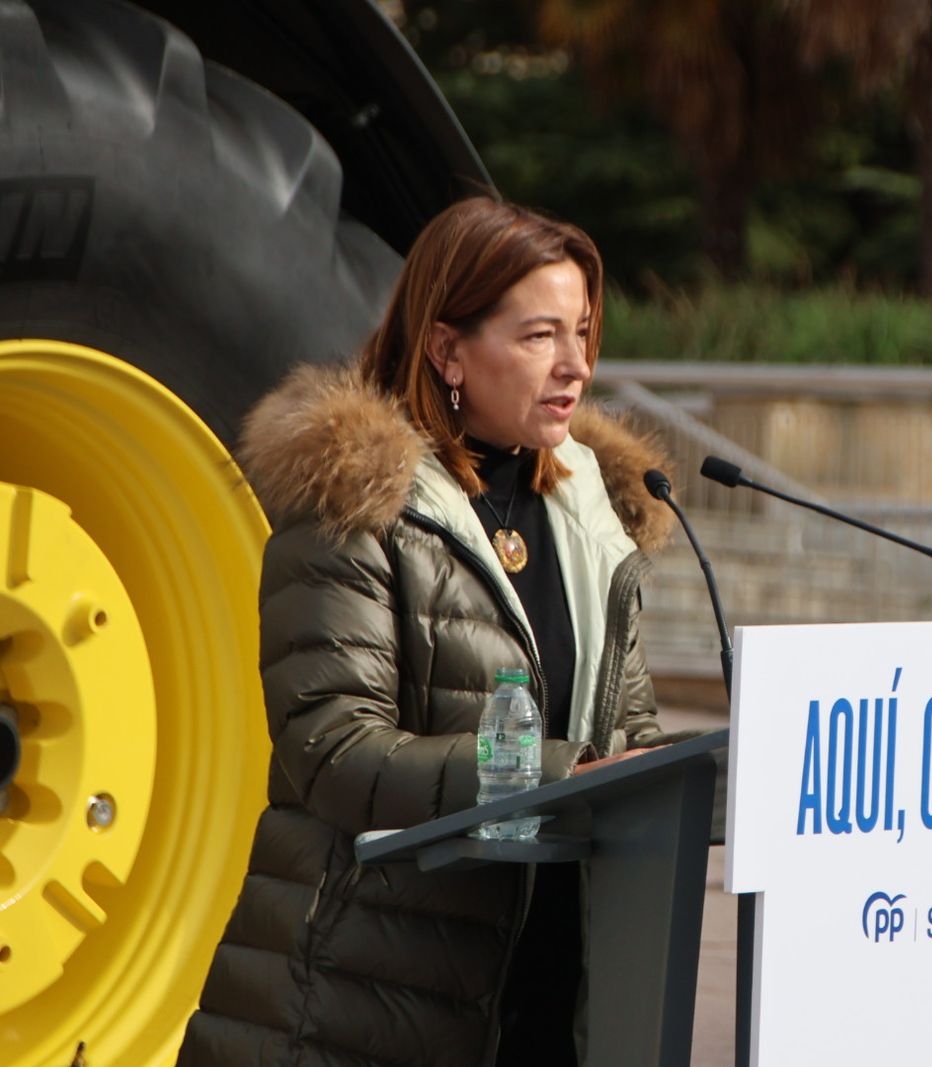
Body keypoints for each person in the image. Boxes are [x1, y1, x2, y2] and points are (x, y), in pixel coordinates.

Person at [178, 197, 695, 1067]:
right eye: (540, 336)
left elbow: (627, 738)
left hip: (552, 1000)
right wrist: (553, 774)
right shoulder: (353, 503)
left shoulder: (595, 515)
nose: (575, 365)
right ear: (448, 350)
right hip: (365, 1003)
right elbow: (334, 749)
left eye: (581, 332)